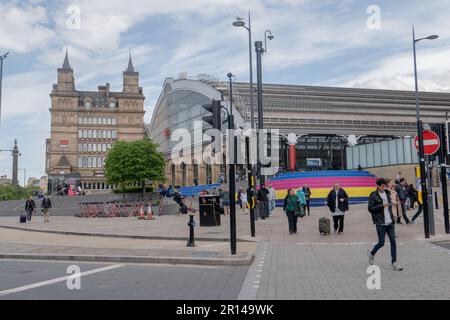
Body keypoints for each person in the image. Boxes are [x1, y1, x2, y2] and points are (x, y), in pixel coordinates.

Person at [367, 178, 403, 271]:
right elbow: (370, 208)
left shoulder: (387, 193)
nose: (384, 188)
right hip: (380, 223)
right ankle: (372, 253)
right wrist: (381, 206)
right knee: (381, 242)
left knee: (393, 242)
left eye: (384, 186)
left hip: (390, 222)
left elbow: (390, 201)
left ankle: (394, 262)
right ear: (378, 186)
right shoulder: (373, 195)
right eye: (382, 186)